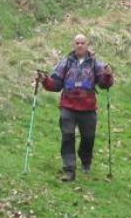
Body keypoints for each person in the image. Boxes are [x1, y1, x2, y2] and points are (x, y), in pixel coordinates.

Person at [41, 34, 113, 181]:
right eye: (77, 43)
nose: (80, 45)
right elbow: (55, 84)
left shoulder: (95, 64)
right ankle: (69, 170)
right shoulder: (65, 63)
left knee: (88, 138)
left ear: (87, 45)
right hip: (68, 106)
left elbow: (104, 84)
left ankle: (86, 160)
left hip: (88, 108)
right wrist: (44, 80)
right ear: (73, 45)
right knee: (67, 136)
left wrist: (107, 75)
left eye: (82, 43)